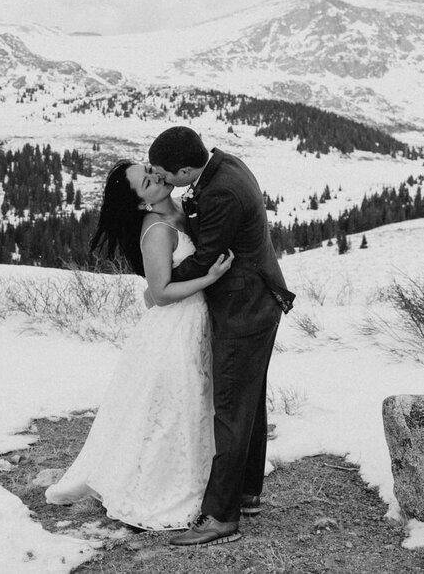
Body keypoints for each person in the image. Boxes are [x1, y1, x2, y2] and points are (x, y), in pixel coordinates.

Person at [44, 160, 234, 530]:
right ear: (141, 204)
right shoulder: (157, 229)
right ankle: (161, 484)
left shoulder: (181, 207)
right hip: (176, 326)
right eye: (147, 182)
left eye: (150, 169)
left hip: (198, 321)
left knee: (198, 399)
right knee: (175, 404)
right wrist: (209, 278)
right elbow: (161, 293)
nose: (156, 176)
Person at [148, 126, 293, 547]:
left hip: (243, 308)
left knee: (230, 407)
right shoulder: (224, 165)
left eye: (164, 173)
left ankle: (220, 517)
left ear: (187, 168)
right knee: (247, 400)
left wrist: (161, 284)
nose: (162, 181)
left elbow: (208, 259)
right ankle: (246, 492)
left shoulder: (220, 191)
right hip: (259, 302)